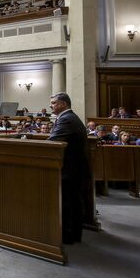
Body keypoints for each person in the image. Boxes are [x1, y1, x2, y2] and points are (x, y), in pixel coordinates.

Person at [47, 92, 88, 244]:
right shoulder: (68, 117)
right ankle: (73, 234)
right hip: (73, 168)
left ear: (63, 104)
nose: (51, 106)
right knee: (72, 202)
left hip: (70, 170)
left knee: (69, 203)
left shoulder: (66, 119)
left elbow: (52, 142)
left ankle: (69, 236)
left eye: (53, 103)